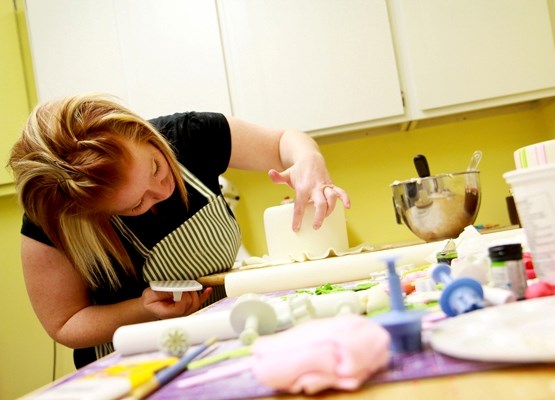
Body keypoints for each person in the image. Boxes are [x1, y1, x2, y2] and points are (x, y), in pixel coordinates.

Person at [8, 93, 350, 368]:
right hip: (133, 369)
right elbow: (65, 323)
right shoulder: (55, 219)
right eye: (134, 205)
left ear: (142, 132)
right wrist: (143, 308)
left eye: (156, 167)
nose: (162, 192)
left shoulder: (190, 136)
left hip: (220, 346)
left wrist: (307, 159)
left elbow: (282, 143)